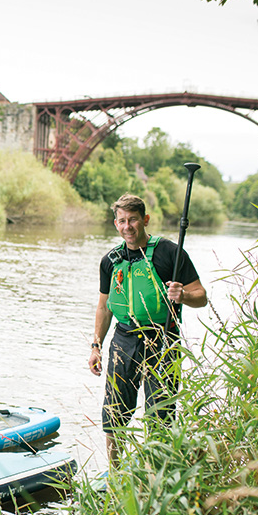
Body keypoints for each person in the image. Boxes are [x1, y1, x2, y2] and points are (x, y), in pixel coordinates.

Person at [88, 193, 207, 467]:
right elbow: (104, 308)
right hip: (123, 340)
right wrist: (96, 345)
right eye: (121, 221)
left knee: (160, 413)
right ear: (115, 224)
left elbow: (201, 296)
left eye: (133, 220)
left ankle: (156, 472)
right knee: (114, 412)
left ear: (145, 220)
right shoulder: (110, 260)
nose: (127, 226)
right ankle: (115, 474)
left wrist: (183, 297)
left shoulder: (169, 253)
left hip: (163, 339)